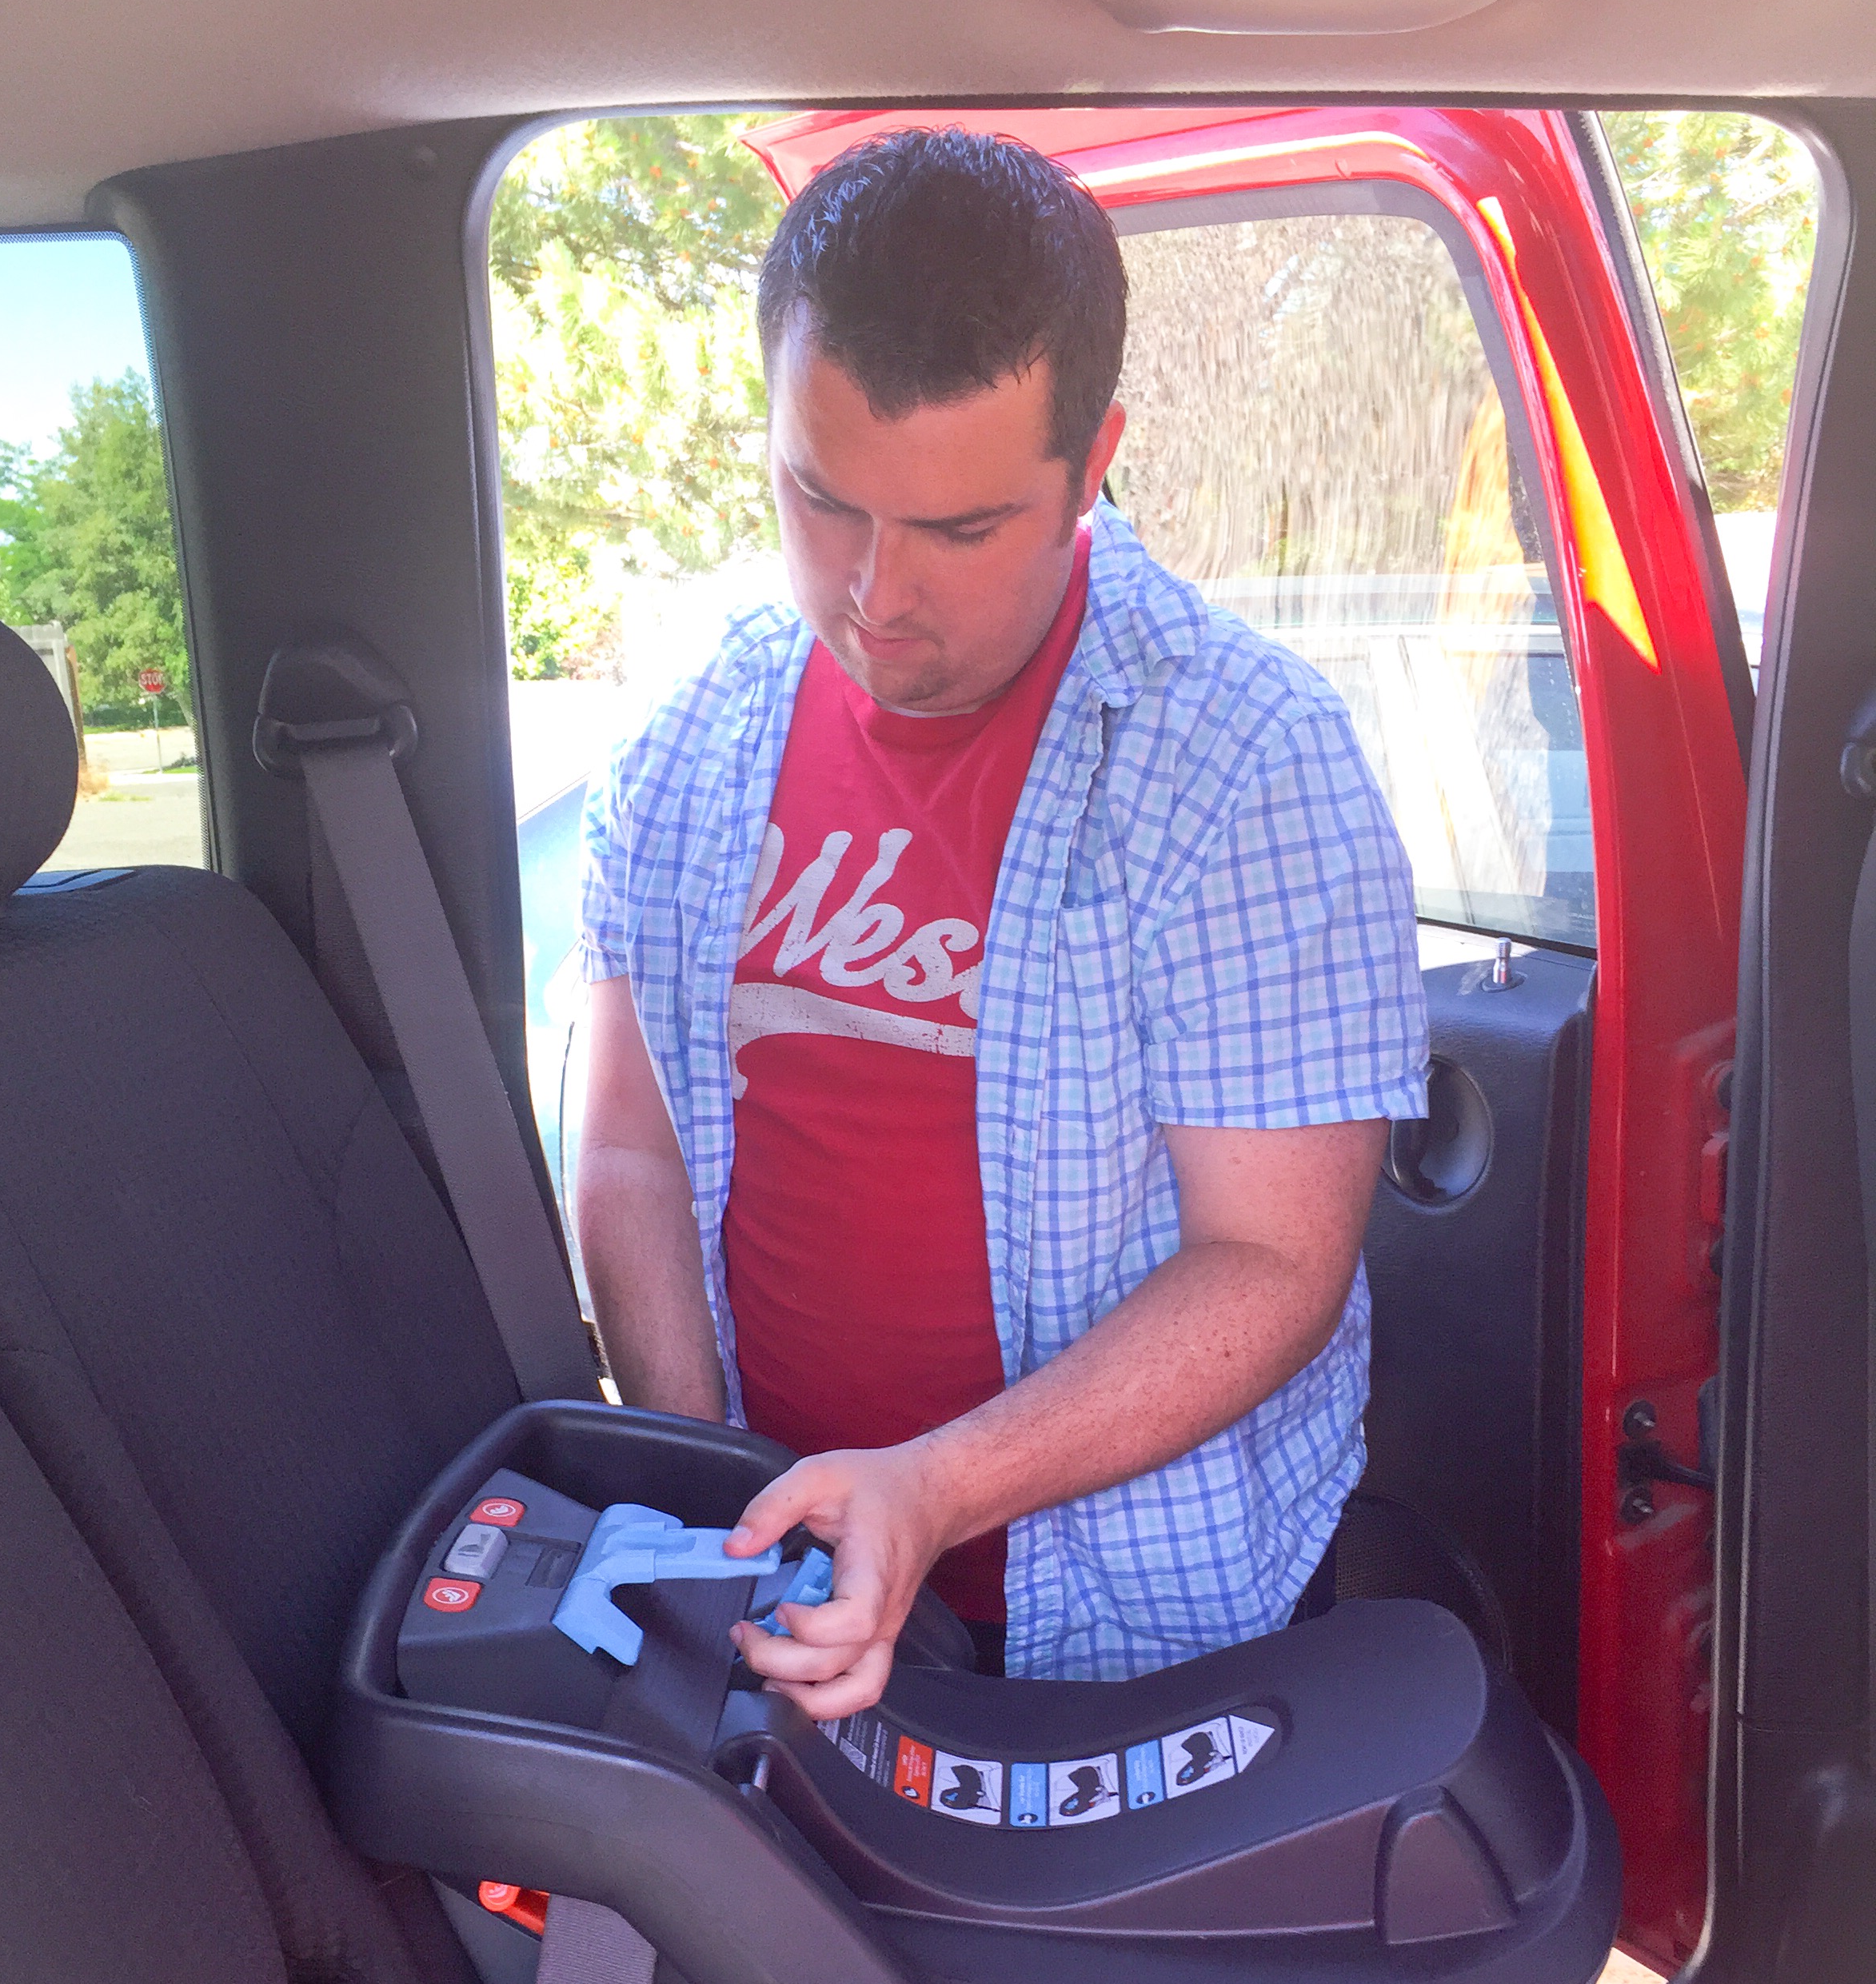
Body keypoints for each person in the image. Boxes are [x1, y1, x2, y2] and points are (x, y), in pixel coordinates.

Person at [576, 127, 1427, 1721]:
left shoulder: (1246, 760)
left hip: (1141, 1616)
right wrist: (719, 1501)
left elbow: (1271, 1261)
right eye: (822, 500)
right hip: (777, 1579)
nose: (875, 594)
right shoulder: (691, 734)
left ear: (1093, 463)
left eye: (961, 531)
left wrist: (934, 1491)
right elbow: (630, 1152)